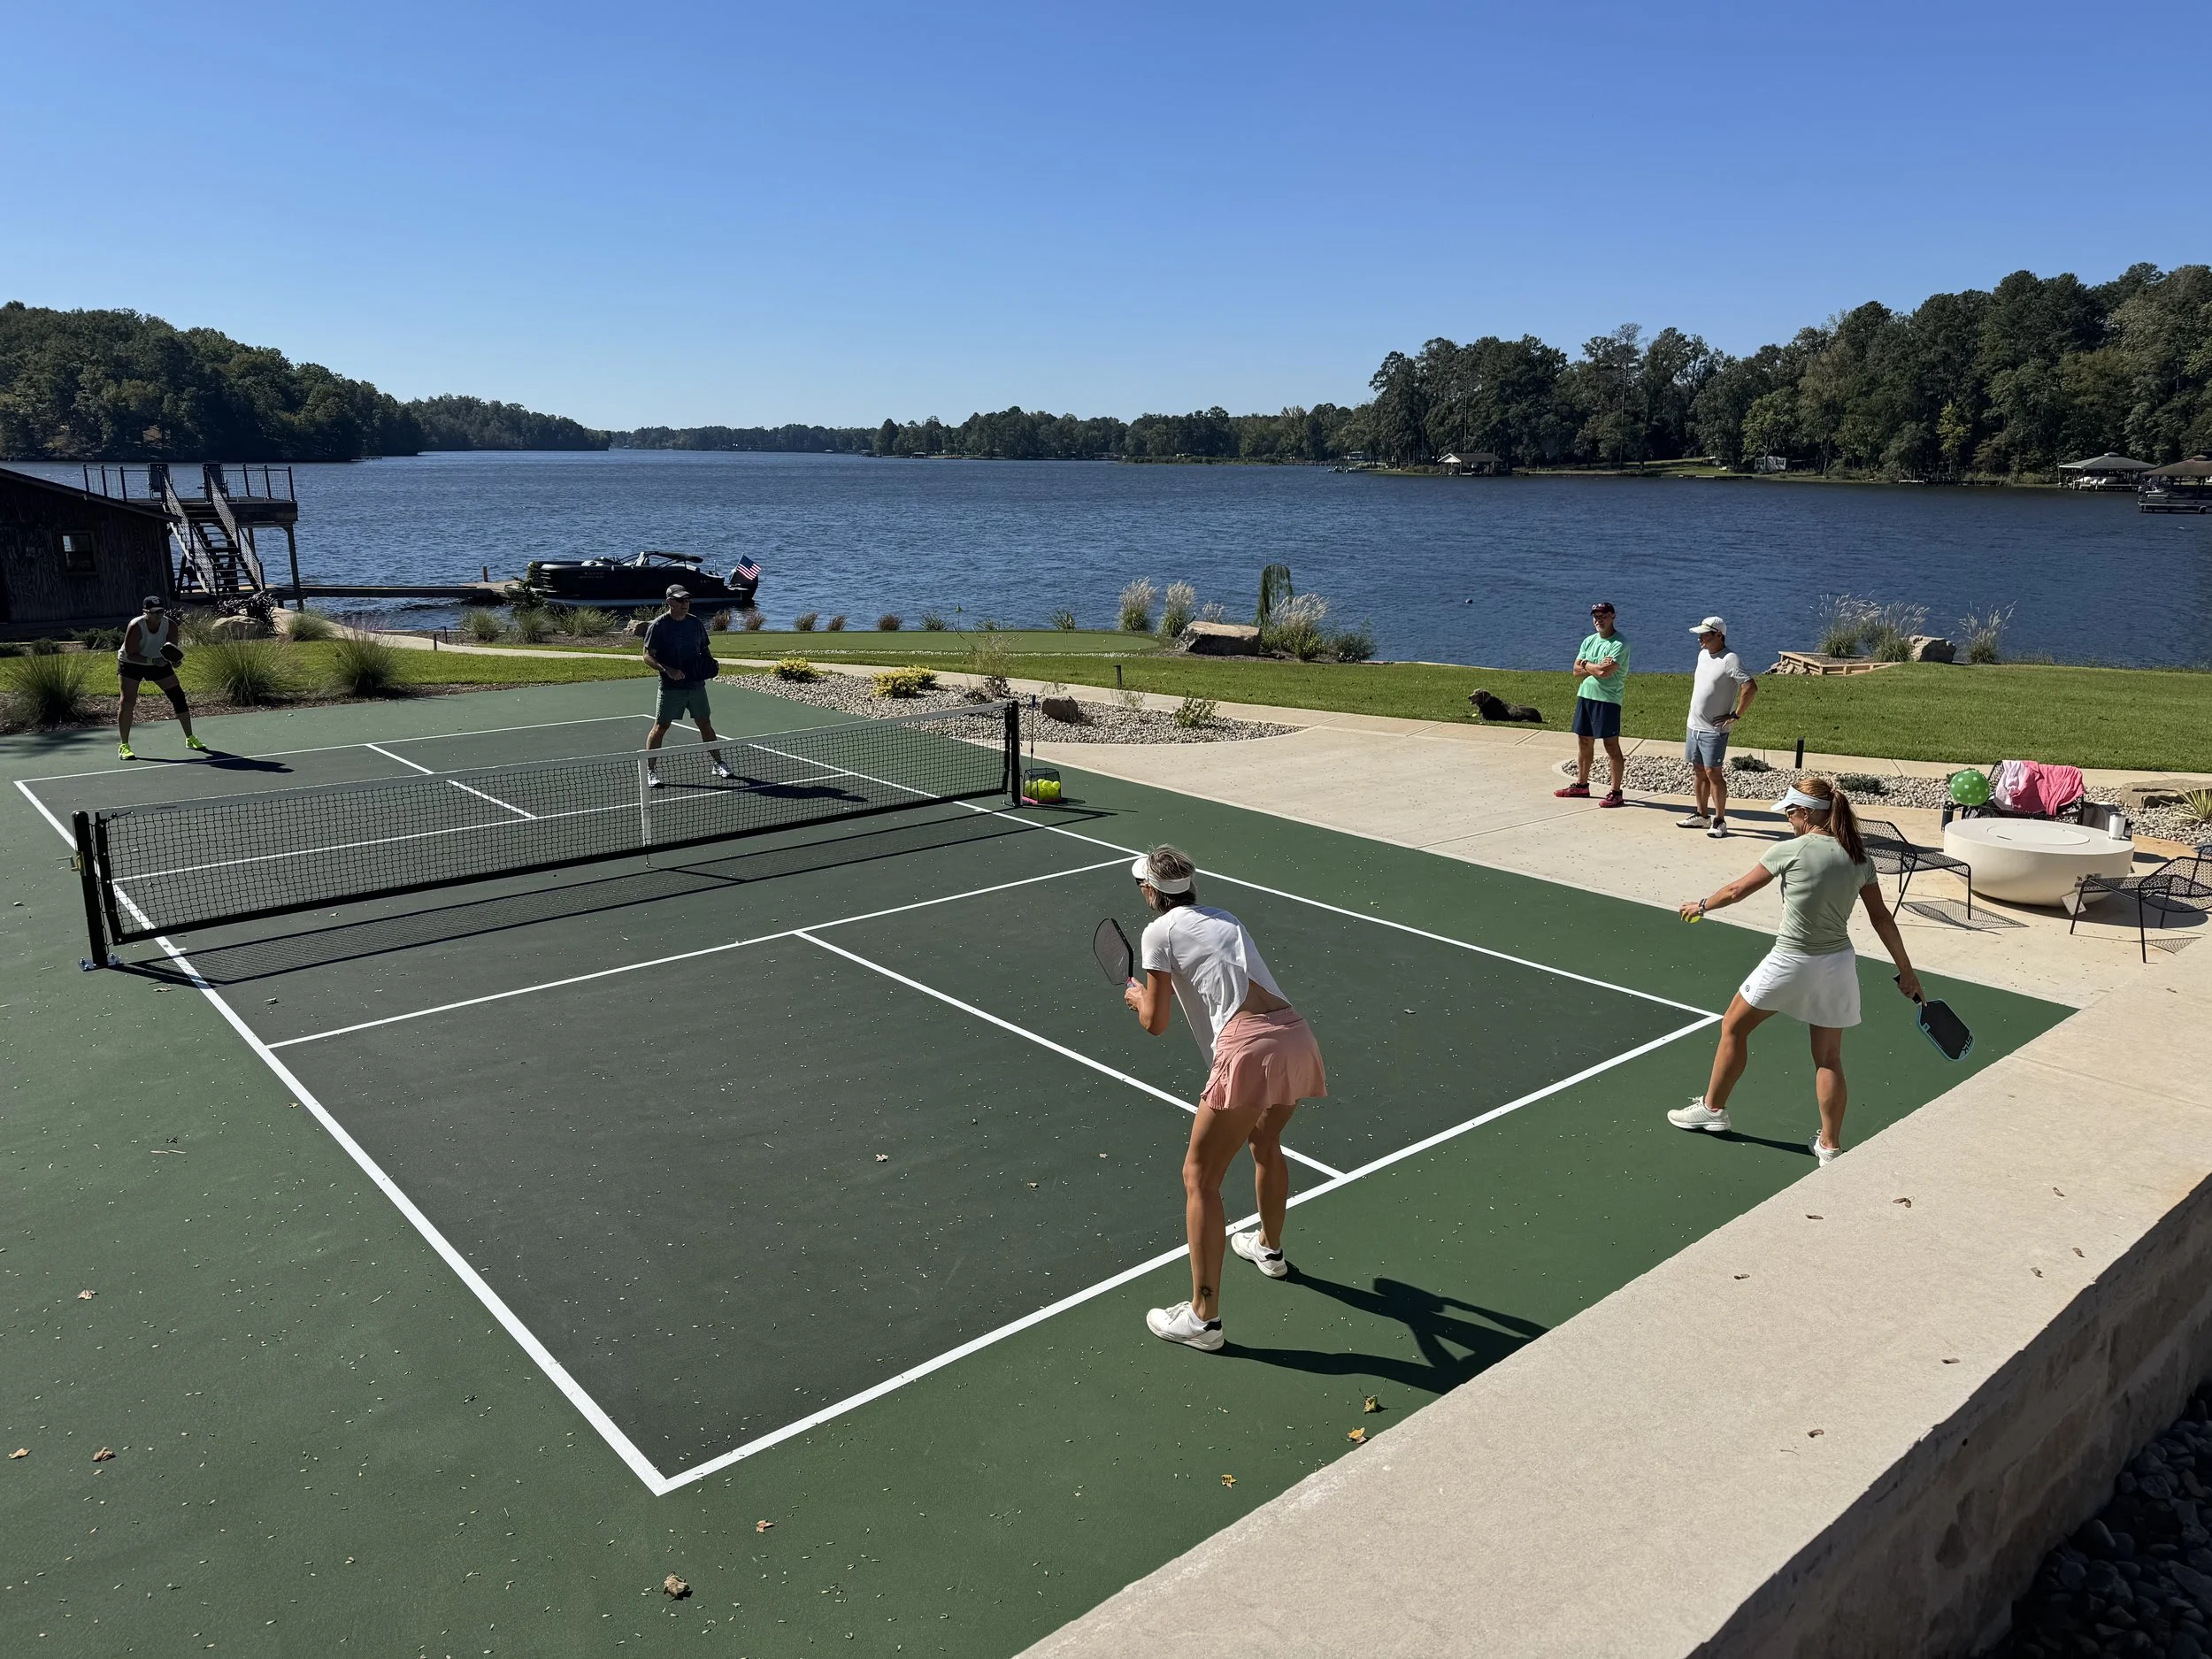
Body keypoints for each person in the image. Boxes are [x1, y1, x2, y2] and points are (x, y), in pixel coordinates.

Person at [1125, 846, 1327, 1351]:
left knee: (1200, 1178)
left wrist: (1135, 998)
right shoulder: (1225, 916)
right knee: (1266, 1142)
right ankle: (1270, 1250)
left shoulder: (1157, 932)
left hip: (1248, 1050)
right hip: (1295, 1036)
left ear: (1151, 891)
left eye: (1140, 886)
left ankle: (1203, 1319)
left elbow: (1155, 1021)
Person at [1665, 778, 1924, 1165]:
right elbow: (1881, 919)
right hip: (1838, 967)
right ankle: (1830, 1147)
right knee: (1829, 1059)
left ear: (1805, 813)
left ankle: (1713, 1110)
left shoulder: (1790, 850)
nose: (1788, 819)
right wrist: (1907, 971)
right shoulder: (1860, 859)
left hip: (1789, 961)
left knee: (1734, 1027)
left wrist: (1701, 905)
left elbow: (1737, 891)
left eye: (1790, 812)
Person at [640, 586, 733, 784]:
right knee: (661, 726)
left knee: (705, 723)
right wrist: (668, 670)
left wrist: (710, 665)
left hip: (696, 686)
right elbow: (647, 656)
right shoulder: (658, 626)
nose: (685, 604)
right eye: (680, 601)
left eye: (687, 600)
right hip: (670, 688)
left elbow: (705, 650)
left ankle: (718, 764)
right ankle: (651, 771)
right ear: (670, 602)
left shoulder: (695, 623)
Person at [1678, 615, 1757, 838]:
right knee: (1698, 770)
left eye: (1704, 634)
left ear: (1718, 635)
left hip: (1714, 730)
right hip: (1694, 725)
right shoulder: (1703, 655)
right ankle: (1701, 815)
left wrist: (1735, 715)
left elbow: (1750, 687)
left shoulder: (1730, 659)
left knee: (1713, 772)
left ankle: (1720, 820)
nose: (1700, 639)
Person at [1555, 601, 1629, 806]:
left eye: (1603, 615)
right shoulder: (1588, 641)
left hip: (1608, 700)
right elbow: (1575, 671)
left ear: (1613, 616)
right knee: (1584, 741)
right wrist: (1591, 666)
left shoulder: (1620, 644)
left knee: (1611, 745)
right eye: (1595, 616)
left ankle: (1616, 792)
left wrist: (1586, 664)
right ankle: (1581, 785)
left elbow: (1605, 673)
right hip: (1586, 697)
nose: (1599, 619)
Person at [115, 595, 206, 760]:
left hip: (158, 661)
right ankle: (124, 746)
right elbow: (130, 653)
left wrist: (175, 661)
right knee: (127, 701)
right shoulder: (136, 626)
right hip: (131, 663)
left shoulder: (170, 625)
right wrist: (151, 661)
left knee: (178, 696)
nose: (159, 615)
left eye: (161, 612)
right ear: (145, 613)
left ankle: (190, 738)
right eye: (154, 612)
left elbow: (170, 650)